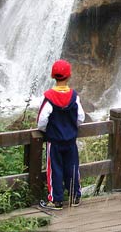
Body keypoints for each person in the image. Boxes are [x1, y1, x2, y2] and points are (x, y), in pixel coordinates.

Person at [37, 59, 85, 210]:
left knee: (54, 169)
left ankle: (56, 200)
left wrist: (47, 131)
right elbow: (81, 117)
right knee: (72, 167)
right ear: (69, 76)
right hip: (71, 141)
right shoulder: (74, 97)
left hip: (55, 141)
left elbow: (42, 121)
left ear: (53, 76)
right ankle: (75, 196)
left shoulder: (49, 97)